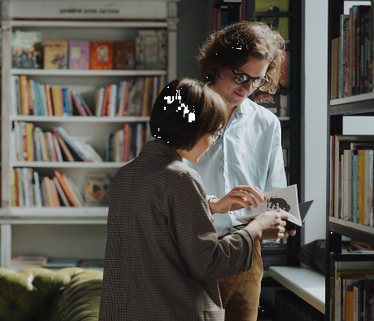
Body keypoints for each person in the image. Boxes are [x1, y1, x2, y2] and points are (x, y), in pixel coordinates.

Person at [98, 77, 292, 321]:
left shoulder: (126, 174)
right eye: (214, 132)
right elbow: (208, 263)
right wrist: (255, 229)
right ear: (194, 127)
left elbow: (159, 234)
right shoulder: (182, 178)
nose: (212, 142)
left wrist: (210, 204)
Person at [186, 21, 295, 321]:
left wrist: (280, 221)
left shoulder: (266, 123)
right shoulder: (186, 110)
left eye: (257, 80)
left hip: (247, 251)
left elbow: (275, 190)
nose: (248, 88)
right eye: (240, 76)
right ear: (217, 65)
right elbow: (165, 181)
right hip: (193, 248)